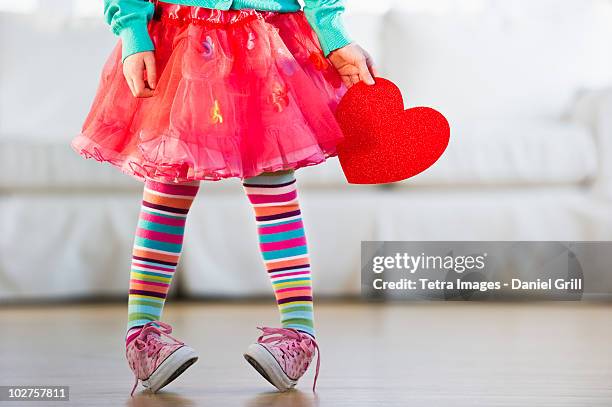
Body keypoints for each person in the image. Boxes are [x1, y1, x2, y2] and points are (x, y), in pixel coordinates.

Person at [71, 0, 377, 396]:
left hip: (267, 39)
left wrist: (334, 36)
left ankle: (299, 334)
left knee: (275, 191)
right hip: (182, 37)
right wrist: (132, 31)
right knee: (168, 184)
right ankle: (141, 335)